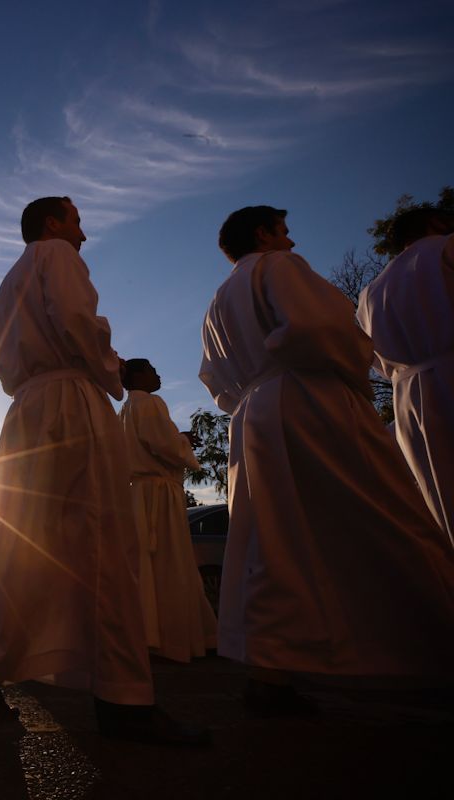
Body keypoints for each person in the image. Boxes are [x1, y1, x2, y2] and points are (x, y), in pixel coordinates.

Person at [0, 196, 206, 746]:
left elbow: (3, 360)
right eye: (76, 222)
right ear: (51, 223)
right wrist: (110, 368)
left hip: (27, 410)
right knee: (104, 542)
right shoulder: (56, 257)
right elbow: (75, 321)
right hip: (69, 401)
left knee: (21, 543)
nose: (82, 235)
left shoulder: (10, 279)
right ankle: (124, 699)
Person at [199, 206, 454, 713]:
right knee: (380, 513)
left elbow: (214, 377)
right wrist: (351, 373)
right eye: (285, 232)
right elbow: (319, 328)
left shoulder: (219, 300)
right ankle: (420, 652)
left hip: (252, 415)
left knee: (277, 541)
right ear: (264, 234)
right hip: (308, 398)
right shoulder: (278, 267)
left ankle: (274, 666)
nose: (292, 244)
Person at [356, 207, 454, 546]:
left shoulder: (370, 293)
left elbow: (375, 360)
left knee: (441, 494)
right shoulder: (446, 249)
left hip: (409, 398)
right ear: (435, 223)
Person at [119, 358, 217, 663]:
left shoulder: (123, 411)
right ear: (137, 376)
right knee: (169, 560)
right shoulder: (148, 402)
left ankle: (149, 631)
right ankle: (172, 636)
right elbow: (161, 443)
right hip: (158, 495)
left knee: (147, 565)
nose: (158, 374)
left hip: (140, 494)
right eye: (151, 370)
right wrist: (183, 442)